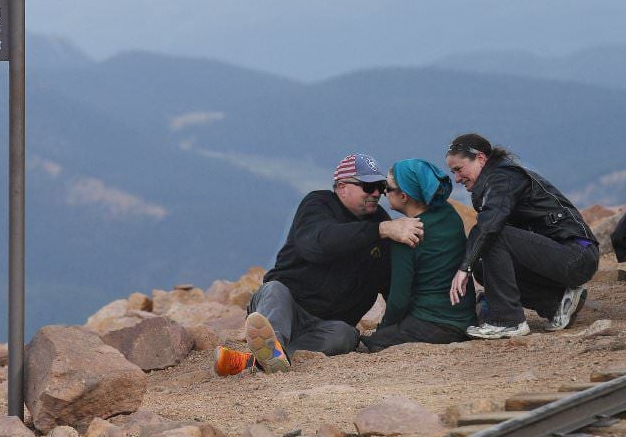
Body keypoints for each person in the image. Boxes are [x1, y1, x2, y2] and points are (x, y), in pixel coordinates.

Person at [214, 153, 425, 376]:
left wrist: (416, 323)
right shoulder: (318, 204)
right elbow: (320, 244)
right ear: (342, 187)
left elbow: (390, 282)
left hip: (328, 325)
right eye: (367, 186)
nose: (375, 194)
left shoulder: (379, 221)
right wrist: (381, 230)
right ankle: (271, 348)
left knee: (346, 335)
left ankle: (264, 360)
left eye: (380, 186)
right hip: (290, 307)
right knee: (275, 291)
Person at [446, 133, 599, 339]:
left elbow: (490, 225)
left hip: (577, 255)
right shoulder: (493, 182)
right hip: (558, 255)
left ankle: (507, 321)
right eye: (452, 172)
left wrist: (464, 267)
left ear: (481, 159)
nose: (456, 178)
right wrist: (471, 265)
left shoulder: (504, 178)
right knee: (484, 269)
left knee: (494, 236)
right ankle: (557, 302)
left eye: (458, 169)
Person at [361, 159, 475, 352]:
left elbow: (399, 298)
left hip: (433, 323)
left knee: (373, 343)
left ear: (404, 196)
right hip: (466, 317)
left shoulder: (406, 235)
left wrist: (385, 328)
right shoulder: (449, 213)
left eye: (386, 187)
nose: (382, 193)